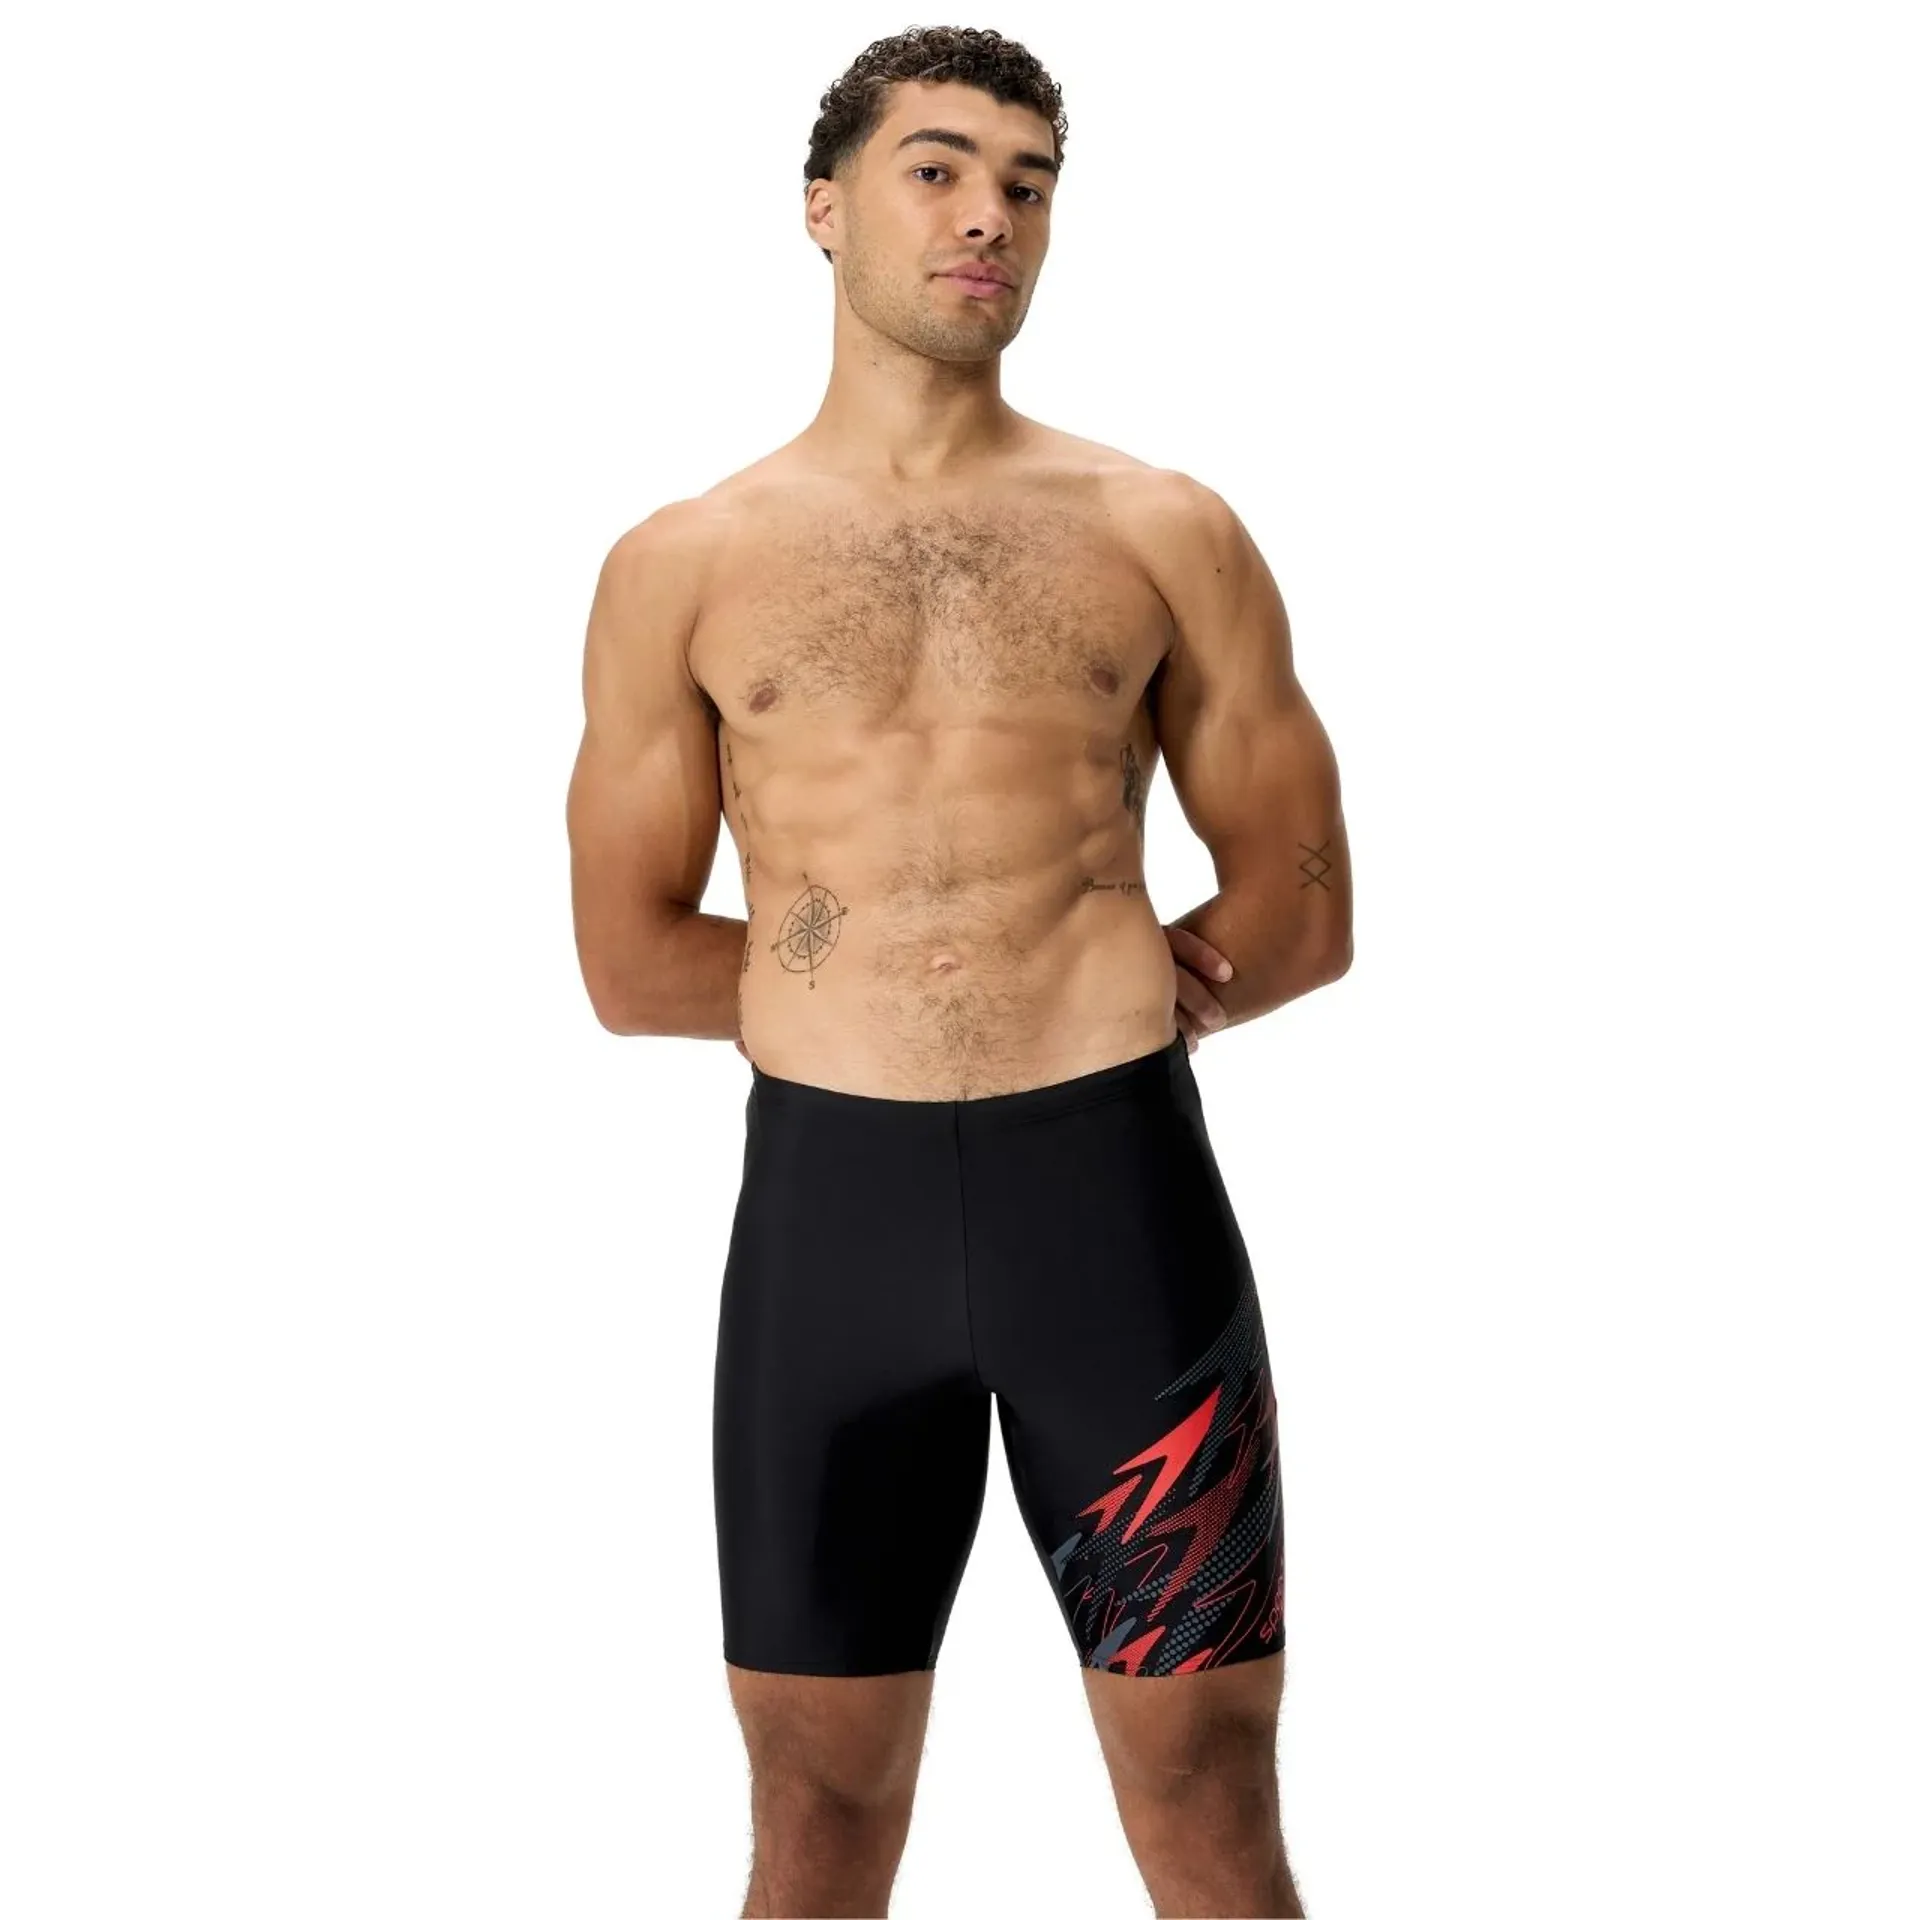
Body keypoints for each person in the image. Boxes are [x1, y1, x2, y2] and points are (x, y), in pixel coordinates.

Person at [565, 25, 1351, 1918]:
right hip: (831, 1219)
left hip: (1115, 1204)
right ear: (822, 209)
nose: (988, 214)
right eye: (935, 170)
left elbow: (1306, 900)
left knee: (1209, 1793)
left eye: (1027, 183)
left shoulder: (1162, 530)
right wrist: (871, 967)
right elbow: (629, 954)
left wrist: (1106, 973)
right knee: (817, 1812)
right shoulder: (685, 562)